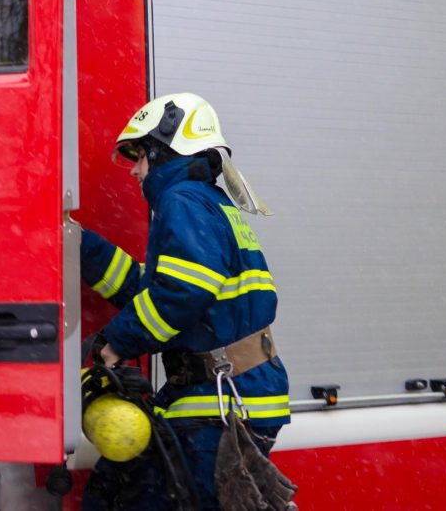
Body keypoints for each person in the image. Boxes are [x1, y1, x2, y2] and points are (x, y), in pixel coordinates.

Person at [80, 92, 291, 510]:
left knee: (127, 496)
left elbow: (183, 292)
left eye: (141, 155)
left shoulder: (183, 200)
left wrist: (116, 342)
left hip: (218, 398)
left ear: (165, 149)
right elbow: (154, 288)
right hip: (231, 391)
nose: (135, 169)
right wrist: (79, 246)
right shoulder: (207, 201)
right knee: (119, 487)